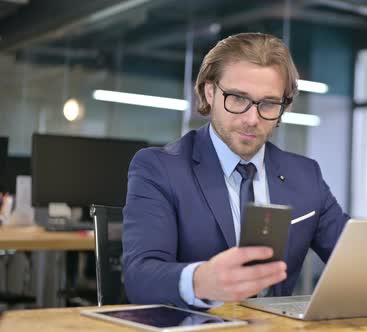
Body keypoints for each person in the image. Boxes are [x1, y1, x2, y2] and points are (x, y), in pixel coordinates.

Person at [123, 32, 349, 309]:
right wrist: (199, 281)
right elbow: (139, 277)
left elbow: (355, 258)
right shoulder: (159, 168)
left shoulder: (306, 175)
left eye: (268, 104)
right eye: (238, 98)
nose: (252, 119)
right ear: (210, 92)